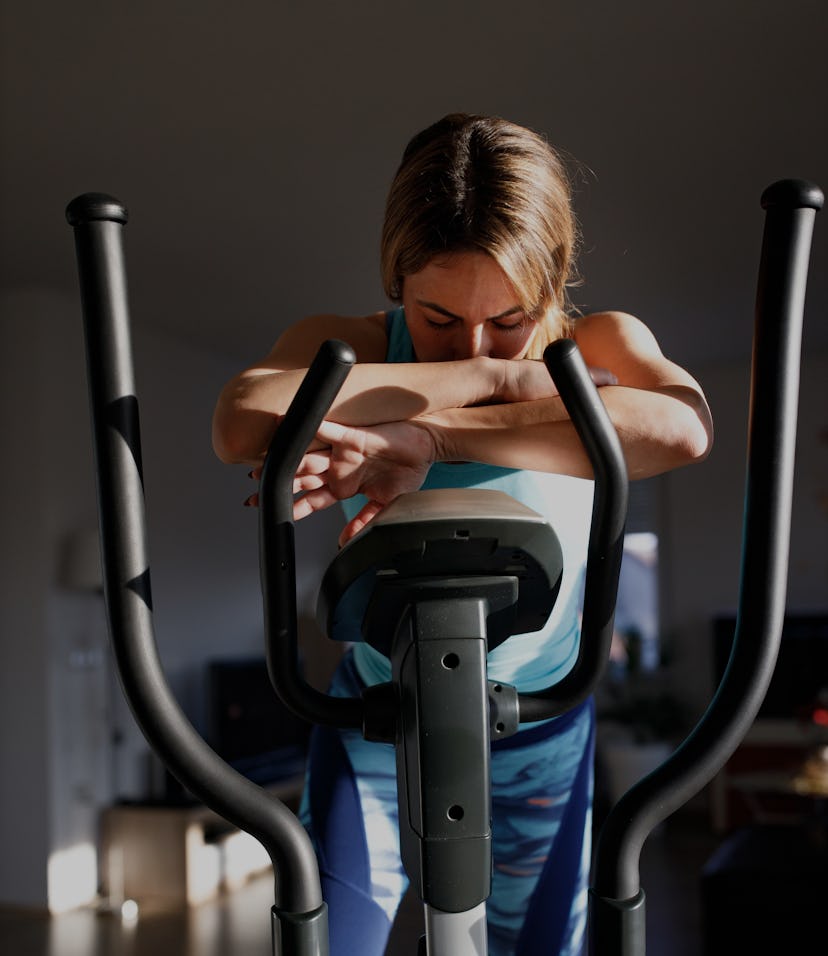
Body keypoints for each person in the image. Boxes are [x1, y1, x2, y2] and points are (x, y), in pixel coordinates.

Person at [212, 113, 713, 956]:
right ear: (396, 281)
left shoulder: (599, 343)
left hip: (541, 725)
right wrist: (491, 377)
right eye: (438, 318)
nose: (473, 340)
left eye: (510, 320)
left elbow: (681, 428)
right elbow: (242, 419)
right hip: (376, 719)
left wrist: (436, 437)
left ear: (553, 283)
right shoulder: (362, 344)